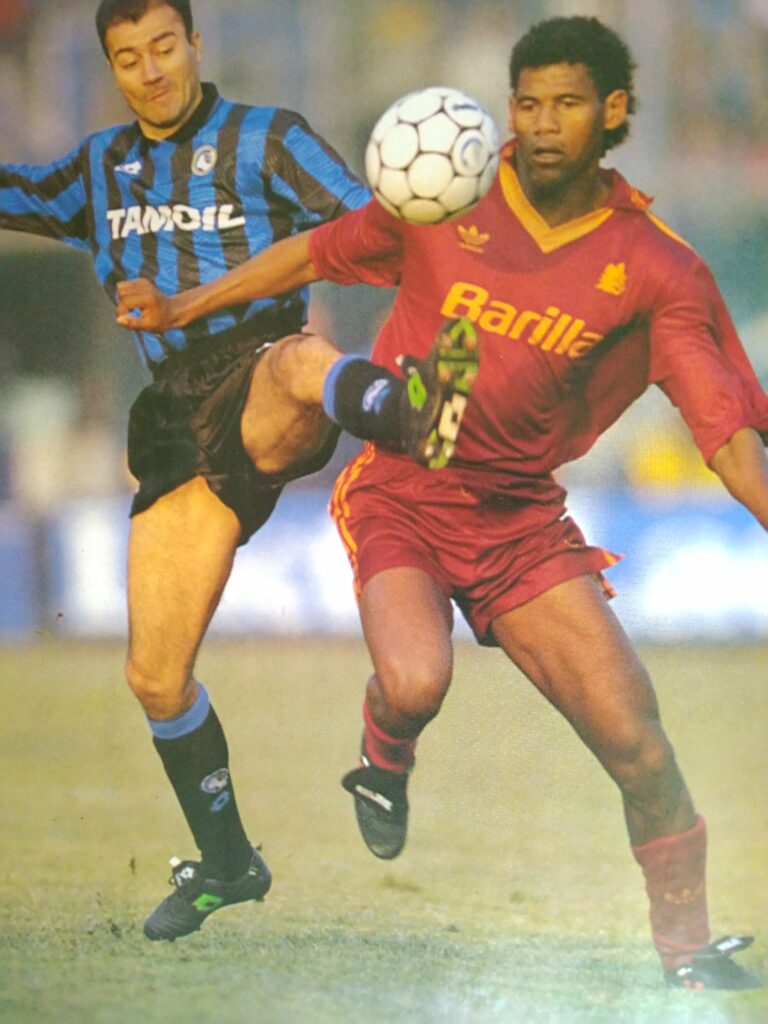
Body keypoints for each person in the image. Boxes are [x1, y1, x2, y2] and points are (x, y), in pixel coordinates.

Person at [113, 15, 768, 988]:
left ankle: (688, 952)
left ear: (615, 111)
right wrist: (183, 306)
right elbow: (314, 252)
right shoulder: (446, 194)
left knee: (640, 743)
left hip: (520, 522)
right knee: (417, 681)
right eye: (527, 104)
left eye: (567, 104)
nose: (541, 124)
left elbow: (724, 429)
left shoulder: (654, 265)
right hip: (405, 492)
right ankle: (385, 755)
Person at [0, 0, 480, 943]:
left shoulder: (270, 140)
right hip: (175, 425)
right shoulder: (95, 170)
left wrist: (457, 286)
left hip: (264, 379)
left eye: (163, 47)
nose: (150, 71)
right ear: (112, 68)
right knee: (155, 678)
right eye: (128, 58)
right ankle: (227, 863)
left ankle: (415, 417)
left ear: (195, 44)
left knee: (295, 361)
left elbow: (376, 228)